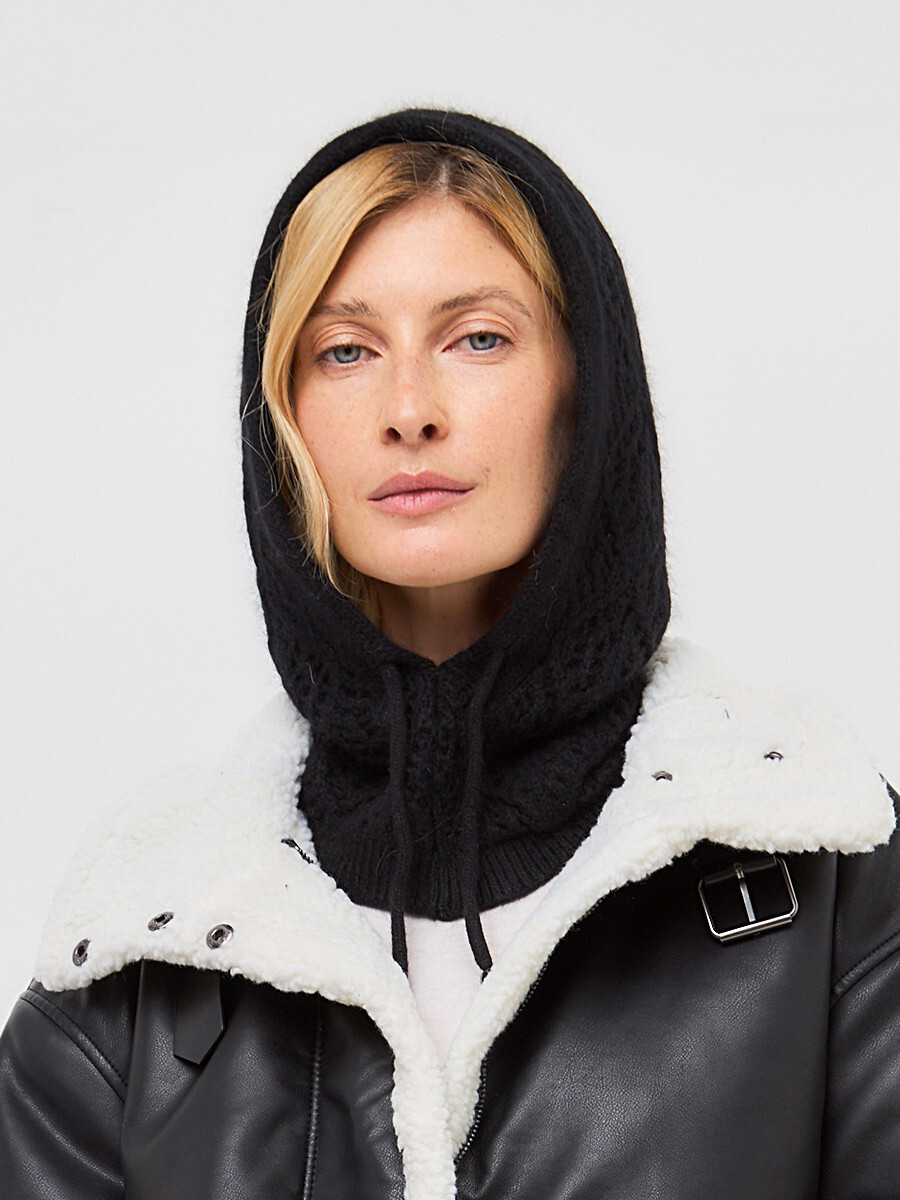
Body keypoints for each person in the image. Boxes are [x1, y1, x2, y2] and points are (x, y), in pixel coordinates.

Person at [0, 108, 897, 1199]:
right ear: (284, 419)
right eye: (344, 351)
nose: (409, 410)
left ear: (586, 389)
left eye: (478, 338)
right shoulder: (142, 944)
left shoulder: (831, 878)